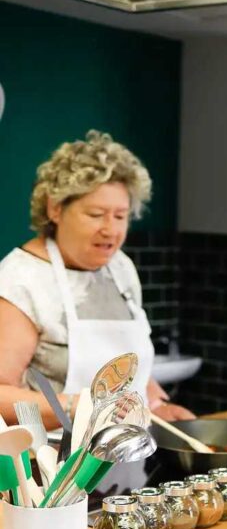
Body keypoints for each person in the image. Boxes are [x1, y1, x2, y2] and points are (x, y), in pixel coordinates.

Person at [0, 131, 194, 428]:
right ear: (55, 209)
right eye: (96, 214)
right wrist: (80, 406)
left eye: (121, 216)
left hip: (128, 456)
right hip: (52, 466)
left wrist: (156, 404)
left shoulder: (120, 269)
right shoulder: (22, 280)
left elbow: (125, 365)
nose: (111, 230)